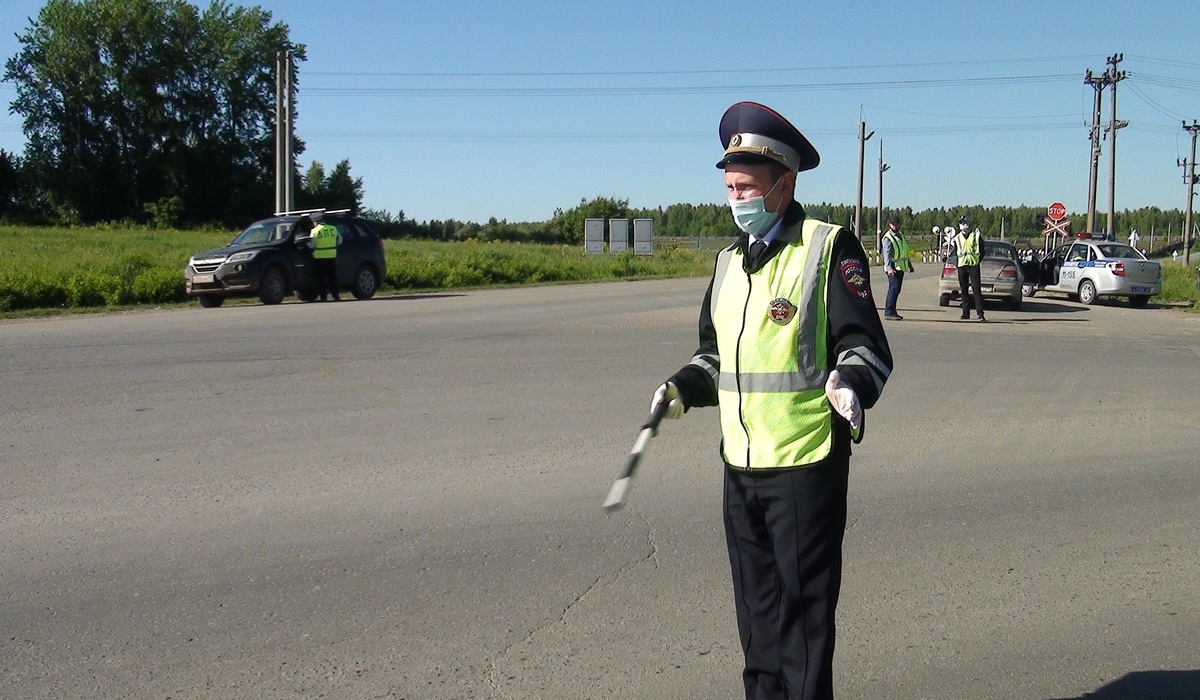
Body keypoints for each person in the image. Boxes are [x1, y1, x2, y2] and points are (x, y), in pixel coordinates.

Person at [648, 101, 893, 700]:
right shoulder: (729, 262)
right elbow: (716, 354)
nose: (737, 199)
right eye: (730, 187)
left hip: (805, 466)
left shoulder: (827, 247)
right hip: (741, 468)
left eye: (747, 187)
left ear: (784, 184)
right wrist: (682, 387)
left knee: (803, 629)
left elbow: (866, 345)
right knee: (756, 623)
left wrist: (850, 384)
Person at [952, 215, 985, 321]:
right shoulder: (957, 238)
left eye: (965, 222)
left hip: (973, 266)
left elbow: (982, 251)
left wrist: (977, 261)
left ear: (969, 224)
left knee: (976, 290)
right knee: (964, 291)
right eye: (961, 223)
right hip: (962, 266)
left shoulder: (976, 236)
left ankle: (980, 314)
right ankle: (965, 313)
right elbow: (956, 252)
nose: (963, 225)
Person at [881, 215, 913, 320]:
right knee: (893, 289)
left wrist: (909, 265)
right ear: (889, 225)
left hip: (900, 267)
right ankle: (889, 312)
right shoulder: (888, 238)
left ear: (900, 224)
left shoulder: (900, 235)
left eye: (896, 224)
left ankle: (892, 310)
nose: (895, 226)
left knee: (897, 290)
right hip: (893, 268)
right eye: (893, 224)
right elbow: (887, 254)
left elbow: (904, 251)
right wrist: (889, 268)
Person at [307, 217, 341, 301]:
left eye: (313, 222)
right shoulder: (333, 228)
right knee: (333, 278)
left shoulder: (314, 231)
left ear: (316, 222)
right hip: (331, 256)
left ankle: (323, 297)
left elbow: (311, 245)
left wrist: (306, 244)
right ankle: (336, 296)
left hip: (319, 258)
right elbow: (340, 241)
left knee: (321, 279)